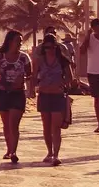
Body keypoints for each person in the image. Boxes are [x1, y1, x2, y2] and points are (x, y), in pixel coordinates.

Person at [29, 34, 74, 165]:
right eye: (47, 47)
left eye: (52, 47)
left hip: (57, 95)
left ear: (56, 47)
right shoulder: (39, 60)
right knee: (46, 126)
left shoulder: (62, 60)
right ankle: (49, 152)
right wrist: (32, 90)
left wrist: (62, 84)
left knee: (56, 126)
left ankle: (56, 154)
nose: (50, 50)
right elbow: (34, 76)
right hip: (44, 94)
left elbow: (70, 77)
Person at [0, 30, 30, 164]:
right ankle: (9, 149)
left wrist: (24, 81)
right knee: (6, 124)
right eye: (18, 41)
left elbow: (30, 75)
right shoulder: (0, 55)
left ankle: (14, 152)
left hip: (18, 93)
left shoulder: (24, 57)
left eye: (21, 41)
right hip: (2, 92)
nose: (20, 44)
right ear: (10, 41)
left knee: (14, 124)